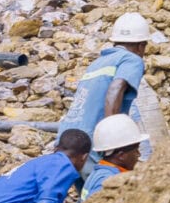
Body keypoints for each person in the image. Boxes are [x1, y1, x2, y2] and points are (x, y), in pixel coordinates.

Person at [58, 12, 150, 180]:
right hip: (94, 142)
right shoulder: (131, 59)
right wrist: (113, 137)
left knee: (88, 193)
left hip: (68, 141)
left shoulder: (97, 63)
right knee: (106, 189)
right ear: (141, 46)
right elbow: (115, 88)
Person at [80, 114, 148, 202]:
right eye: (136, 150)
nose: (139, 154)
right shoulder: (107, 181)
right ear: (121, 156)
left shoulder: (100, 173)